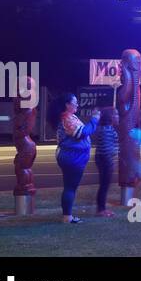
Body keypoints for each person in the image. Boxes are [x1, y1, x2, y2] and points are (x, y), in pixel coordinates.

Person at [55, 94, 99, 224]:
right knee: (70, 187)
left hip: (72, 156)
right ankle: (67, 217)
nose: (77, 105)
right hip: (72, 157)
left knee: (70, 187)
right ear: (67, 105)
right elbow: (82, 133)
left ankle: (67, 215)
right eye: (75, 102)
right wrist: (94, 120)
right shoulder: (67, 118)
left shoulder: (68, 117)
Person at [93, 106, 118, 217]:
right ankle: (101, 210)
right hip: (105, 160)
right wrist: (110, 163)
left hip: (103, 159)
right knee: (104, 185)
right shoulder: (107, 130)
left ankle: (101, 208)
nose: (118, 117)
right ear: (111, 117)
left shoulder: (106, 128)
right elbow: (106, 150)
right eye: (116, 114)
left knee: (104, 185)